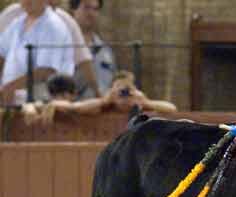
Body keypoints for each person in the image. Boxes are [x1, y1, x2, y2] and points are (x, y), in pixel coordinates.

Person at [0, 0, 99, 99]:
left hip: (44, 99)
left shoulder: (56, 24)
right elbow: (2, 53)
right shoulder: (16, 20)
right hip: (11, 99)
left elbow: (47, 70)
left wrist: (97, 92)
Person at [49, 70, 177, 115]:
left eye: (128, 89)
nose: (124, 93)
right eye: (120, 89)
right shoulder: (104, 106)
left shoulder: (142, 105)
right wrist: (105, 101)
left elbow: (172, 109)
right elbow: (75, 108)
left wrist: (146, 102)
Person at [70, 0, 116, 99]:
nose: (91, 13)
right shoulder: (63, 46)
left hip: (102, 109)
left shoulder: (105, 50)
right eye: (86, 7)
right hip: (73, 109)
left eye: (95, 9)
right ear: (73, 9)